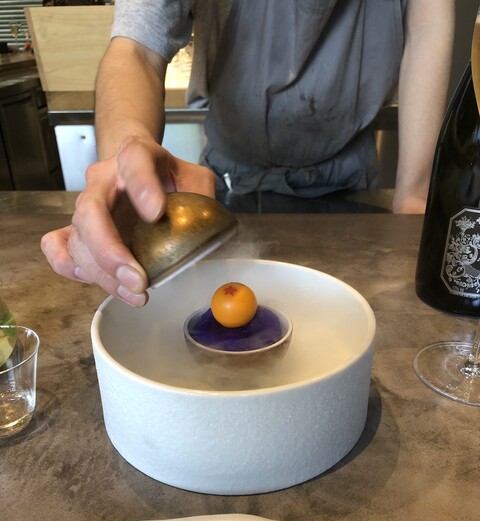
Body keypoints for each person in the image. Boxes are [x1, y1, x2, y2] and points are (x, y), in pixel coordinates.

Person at [41, 0, 455, 307]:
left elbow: (429, 27)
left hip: (349, 186)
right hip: (225, 187)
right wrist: (125, 159)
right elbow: (138, 48)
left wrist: (414, 196)